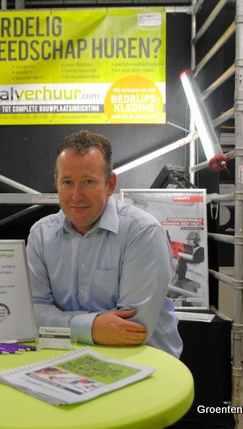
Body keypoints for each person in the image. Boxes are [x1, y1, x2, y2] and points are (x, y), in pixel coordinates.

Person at [26, 130, 183, 358]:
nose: (76, 195)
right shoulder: (41, 235)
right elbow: (32, 313)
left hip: (144, 362)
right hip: (66, 361)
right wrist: (93, 328)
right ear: (56, 183)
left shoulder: (142, 232)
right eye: (67, 182)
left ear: (110, 184)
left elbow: (132, 329)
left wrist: (60, 323)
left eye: (88, 181)